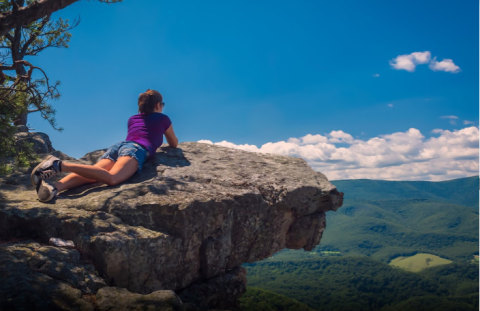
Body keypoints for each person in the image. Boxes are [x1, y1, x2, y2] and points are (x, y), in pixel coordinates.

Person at [30, 89, 178, 202]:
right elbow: (173, 143)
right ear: (158, 105)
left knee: (95, 173)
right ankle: (59, 165)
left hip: (119, 147)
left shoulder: (133, 118)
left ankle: (54, 187)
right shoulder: (163, 118)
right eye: (162, 104)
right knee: (112, 178)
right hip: (135, 149)